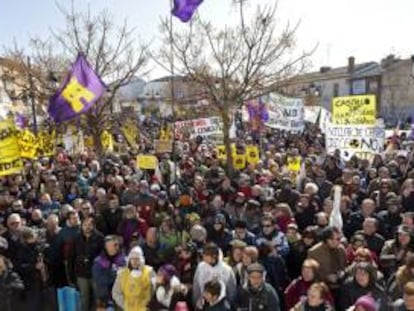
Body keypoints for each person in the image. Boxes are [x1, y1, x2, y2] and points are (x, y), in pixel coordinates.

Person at [69, 216, 104, 311]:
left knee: (98, 297)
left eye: (90, 225)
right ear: (81, 226)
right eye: (85, 225)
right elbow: (71, 257)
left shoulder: (100, 238)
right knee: (84, 298)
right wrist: (71, 276)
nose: (87, 227)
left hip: (96, 273)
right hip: (81, 273)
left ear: (93, 226)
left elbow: (103, 256)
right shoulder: (76, 238)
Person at [192, 242, 237, 307]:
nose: (203, 257)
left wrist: (228, 305)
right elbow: (196, 287)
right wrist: (196, 303)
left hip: (221, 305)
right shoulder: (200, 267)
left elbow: (231, 290)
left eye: (206, 255)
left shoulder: (226, 269)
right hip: (204, 303)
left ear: (214, 256)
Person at [112, 246, 155, 311]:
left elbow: (154, 289)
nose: (134, 261)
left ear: (141, 260)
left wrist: (147, 303)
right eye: (132, 259)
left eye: (137, 259)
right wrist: (124, 305)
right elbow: (116, 292)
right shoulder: (122, 274)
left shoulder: (149, 272)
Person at [92, 235, 126, 309]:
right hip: (104, 298)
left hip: (120, 297)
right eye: (115, 245)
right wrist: (115, 275)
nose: (117, 247)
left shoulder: (123, 260)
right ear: (106, 247)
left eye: (118, 244)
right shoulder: (98, 262)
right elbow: (100, 280)